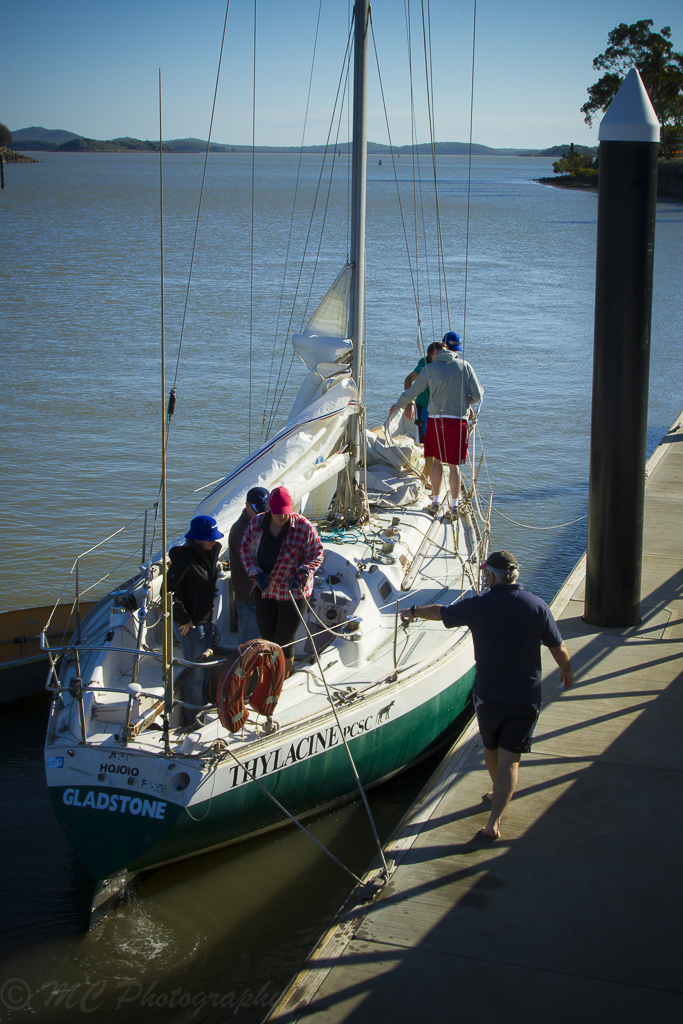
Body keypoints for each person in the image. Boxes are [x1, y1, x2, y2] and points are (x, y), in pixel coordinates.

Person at [400, 550, 574, 840]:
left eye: (485, 573)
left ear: (492, 576)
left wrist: (414, 611)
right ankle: (495, 821)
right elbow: (559, 647)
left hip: (489, 696)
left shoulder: (479, 606)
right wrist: (566, 671)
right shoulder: (537, 606)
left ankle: (498, 795)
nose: (484, 577)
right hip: (525, 698)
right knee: (511, 760)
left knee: (491, 750)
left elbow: (441, 612)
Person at [394, 331, 483, 518]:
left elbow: (413, 390)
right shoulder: (465, 366)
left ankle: (434, 503)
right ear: (456, 349)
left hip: (436, 420)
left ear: (441, 347)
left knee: (435, 461)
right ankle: (455, 506)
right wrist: (464, 402)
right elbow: (477, 395)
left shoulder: (430, 368)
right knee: (454, 465)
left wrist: (399, 404)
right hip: (458, 421)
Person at [240, 485, 323, 678]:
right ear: (269, 508)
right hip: (266, 589)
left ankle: (283, 679)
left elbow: (316, 554)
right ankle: (269, 677)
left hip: (293, 591)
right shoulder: (256, 525)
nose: (282, 517)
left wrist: (303, 572)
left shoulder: (303, 527)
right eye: (277, 513)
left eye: (285, 513)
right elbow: (244, 552)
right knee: (267, 639)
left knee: (285, 641)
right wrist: (255, 573)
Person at [168, 515, 225, 728]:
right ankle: (193, 719)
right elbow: (169, 591)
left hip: (205, 622)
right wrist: (184, 618)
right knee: (195, 673)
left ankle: (200, 708)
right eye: (210, 538)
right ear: (199, 539)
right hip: (191, 627)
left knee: (204, 669)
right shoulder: (185, 559)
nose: (214, 541)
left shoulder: (207, 555)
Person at [228, 486, 270, 645]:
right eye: (257, 511)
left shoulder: (262, 522)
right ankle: (246, 670)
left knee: (259, 643)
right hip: (248, 597)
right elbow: (253, 562)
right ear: (246, 506)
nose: (262, 515)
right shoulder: (241, 530)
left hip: (261, 596)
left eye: (264, 511)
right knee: (250, 646)